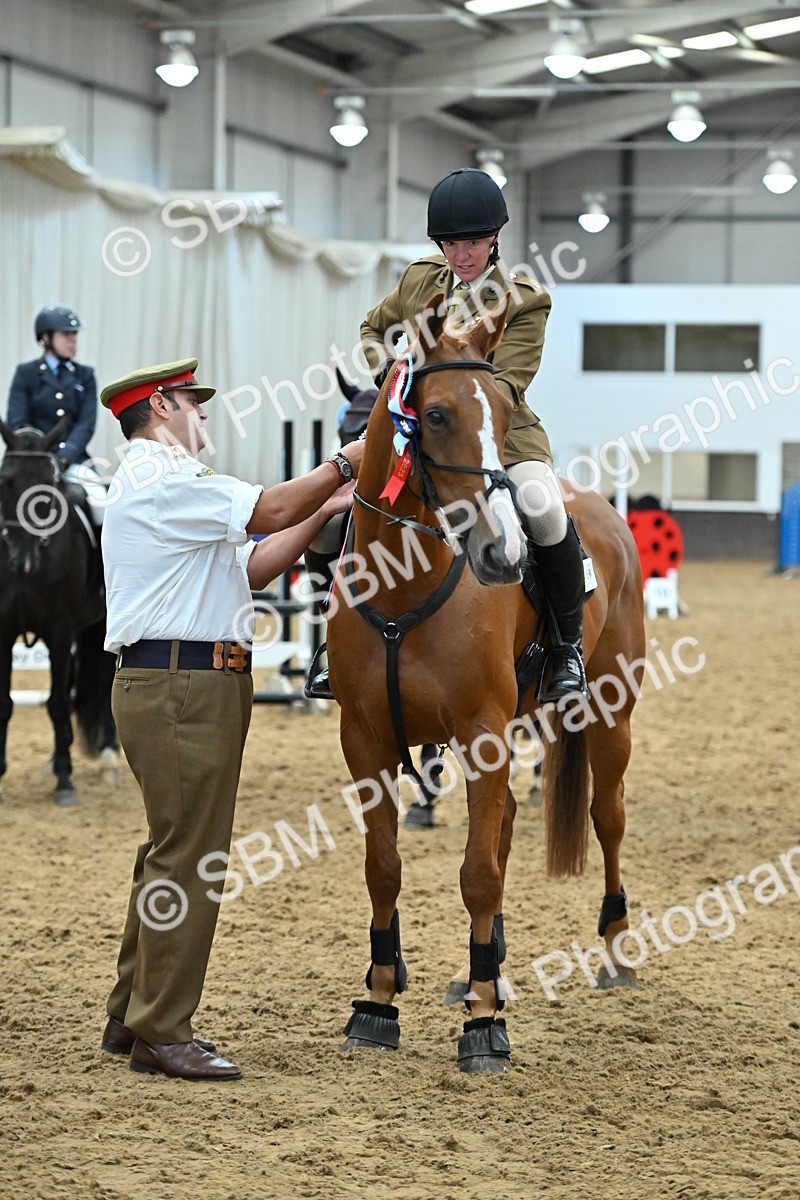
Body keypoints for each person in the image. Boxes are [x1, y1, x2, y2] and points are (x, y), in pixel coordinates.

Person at [99, 357, 362, 1082]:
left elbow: (253, 565)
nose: (204, 415)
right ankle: (162, 1030)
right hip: (184, 683)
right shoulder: (167, 478)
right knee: (190, 857)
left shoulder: (161, 486)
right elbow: (269, 511)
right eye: (194, 403)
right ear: (160, 406)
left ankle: (131, 1012)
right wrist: (347, 460)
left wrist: (327, 506)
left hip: (178, 680)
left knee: (169, 849)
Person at [310, 167, 587, 699]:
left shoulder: (523, 299)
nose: (463, 255)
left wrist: (435, 393)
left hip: (496, 436)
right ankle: (330, 643)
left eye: (475, 244)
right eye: (453, 244)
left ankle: (565, 646)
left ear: (495, 240)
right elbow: (374, 329)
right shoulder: (419, 280)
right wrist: (391, 375)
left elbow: (503, 387)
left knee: (545, 511)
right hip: (411, 431)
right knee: (327, 520)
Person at [7, 305, 108, 526]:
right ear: (46, 337)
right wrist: (39, 454)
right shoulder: (26, 373)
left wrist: (63, 457)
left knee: (102, 506)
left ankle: (100, 561)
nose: (73, 340)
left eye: (75, 334)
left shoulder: (85, 376)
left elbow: (85, 424)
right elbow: (17, 421)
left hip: (72, 460)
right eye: (66, 334)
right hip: (32, 460)